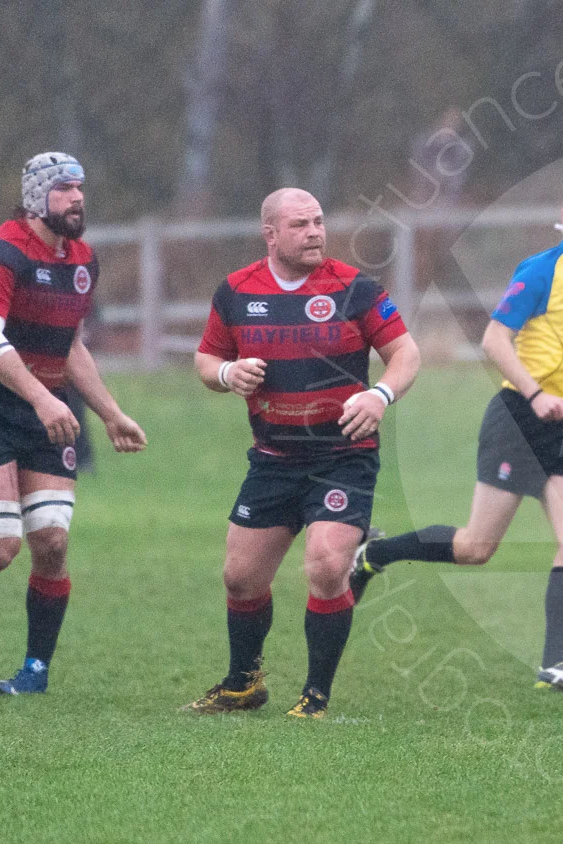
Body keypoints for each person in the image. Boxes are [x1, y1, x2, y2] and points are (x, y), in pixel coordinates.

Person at [350, 178, 563, 692]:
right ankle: (373, 556)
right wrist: (536, 393)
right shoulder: (541, 271)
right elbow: (495, 340)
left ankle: (553, 664)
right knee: (477, 547)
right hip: (519, 418)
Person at [186, 188, 420, 719]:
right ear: (270, 234)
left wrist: (380, 395)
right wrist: (228, 373)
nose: (315, 232)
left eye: (318, 221)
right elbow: (206, 360)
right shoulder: (236, 291)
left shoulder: (356, 288)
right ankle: (243, 685)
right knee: (241, 578)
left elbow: (406, 353)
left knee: (327, 565)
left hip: (344, 456)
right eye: (300, 225)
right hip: (273, 458)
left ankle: (315, 696)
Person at [0, 152, 147, 694]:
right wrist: (42, 398)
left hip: (45, 408)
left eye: (80, 188)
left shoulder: (83, 260)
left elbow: (69, 345)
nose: (77, 199)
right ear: (36, 198)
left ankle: (35, 671)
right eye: (63, 189)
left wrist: (111, 413)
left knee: (52, 541)